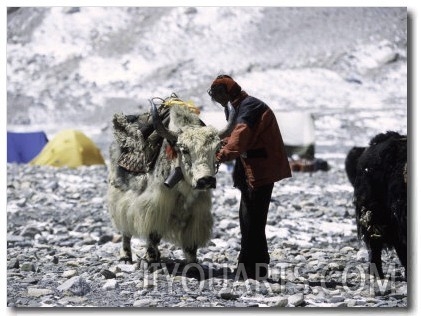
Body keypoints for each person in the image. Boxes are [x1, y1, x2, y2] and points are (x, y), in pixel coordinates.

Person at [208, 74, 292, 280]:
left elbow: (240, 136)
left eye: (218, 93)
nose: (216, 98)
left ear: (227, 92)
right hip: (252, 171)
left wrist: (217, 155)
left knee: (252, 221)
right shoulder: (238, 105)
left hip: (260, 171)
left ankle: (251, 269)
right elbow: (234, 136)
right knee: (250, 220)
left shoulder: (249, 107)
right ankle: (255, 267)